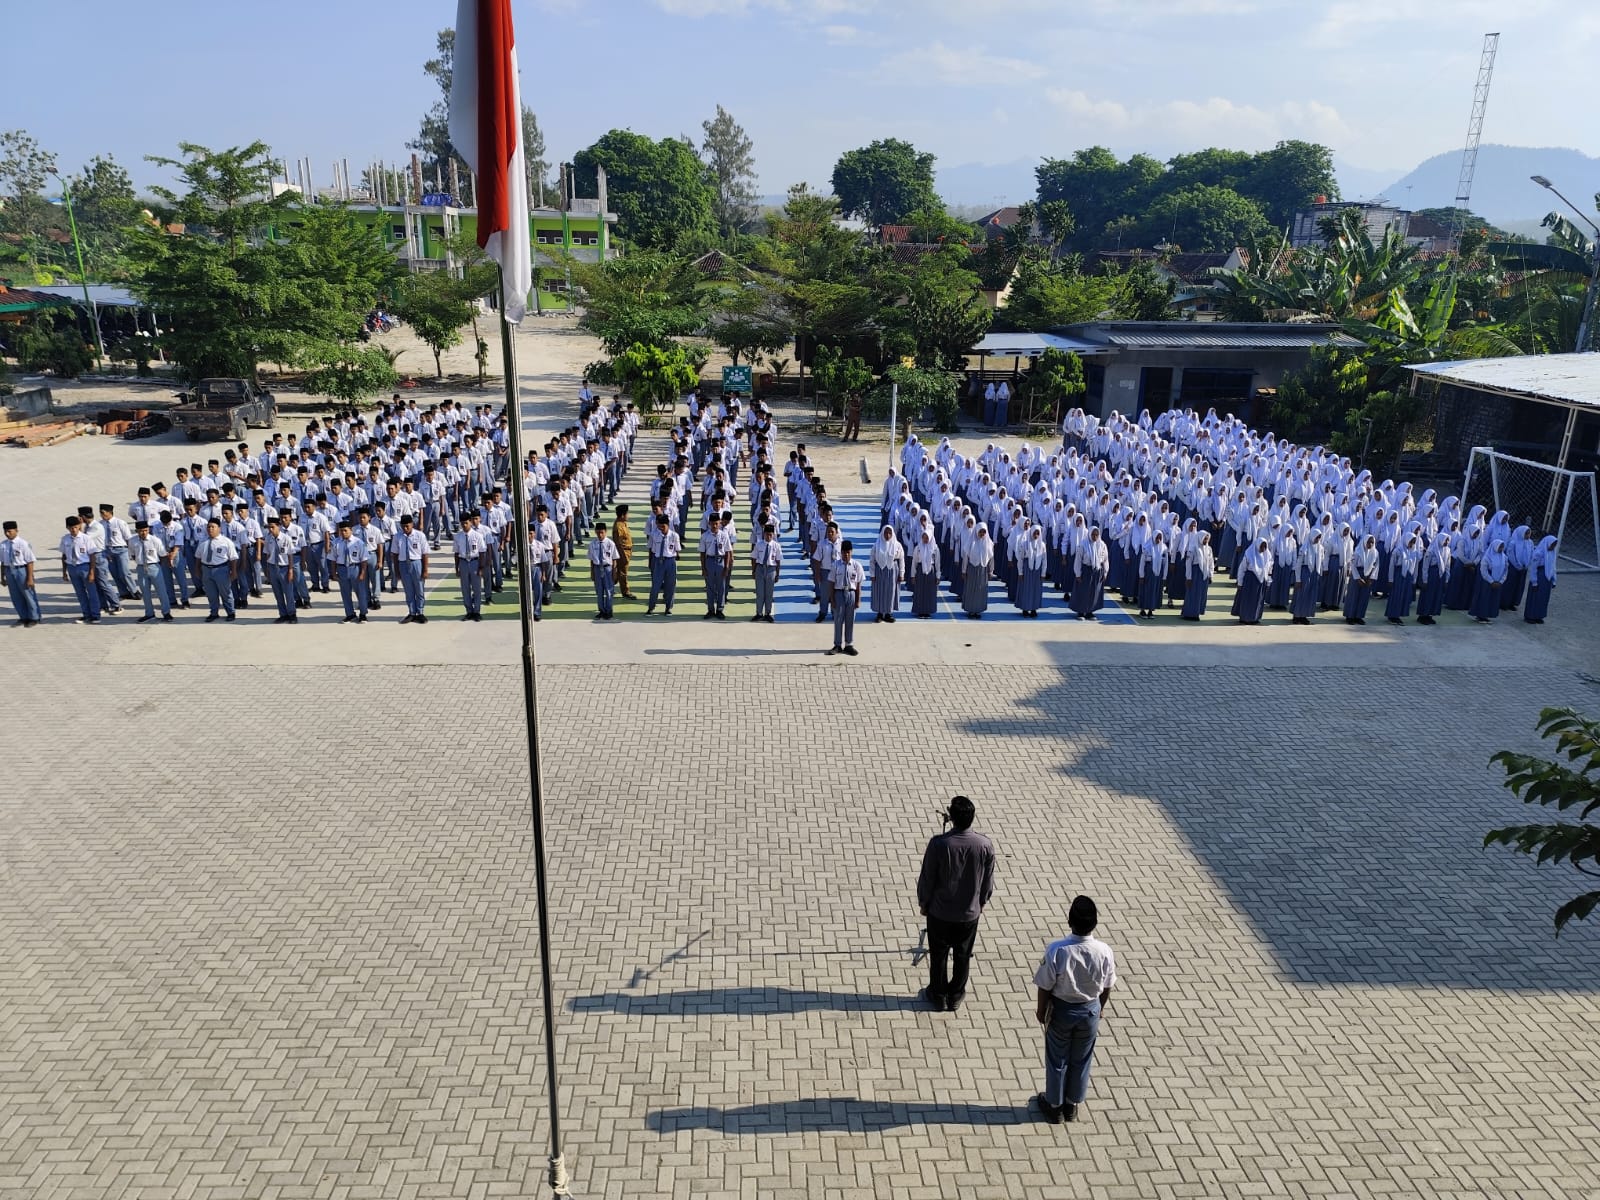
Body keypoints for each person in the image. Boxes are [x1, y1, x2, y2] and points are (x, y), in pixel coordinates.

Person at [1033, 895, 1117, 1124]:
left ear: (1069, 921)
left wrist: (1041, 1011)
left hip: (1061, 1012)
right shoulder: (1104, 951)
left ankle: (1054, 1106)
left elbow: (1044, 985)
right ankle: (1072, 1105)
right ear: (1095, 923)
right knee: (1081, 1059)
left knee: (1057, 1059)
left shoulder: (1058, 950)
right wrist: (1100, 1008)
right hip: (1090, 1012)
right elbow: (1107, 985)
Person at [916, 795, 996, 1012]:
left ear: (951, 817)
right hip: (969, 914)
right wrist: (981, 901)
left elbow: (928, 877)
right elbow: (988, 880)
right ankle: (956, 994)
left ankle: (938, 994)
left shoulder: (939, 844)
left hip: (939, 913)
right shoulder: (985, 845)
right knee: (963, 955)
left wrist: (924, 902)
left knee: (939, 954)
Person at [196, 517, 239, 622]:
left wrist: (233, 571)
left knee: (225, 593)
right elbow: (198, 557)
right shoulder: (203, 542)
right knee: (211, 594)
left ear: (219, 528)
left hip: (221, 570)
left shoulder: (226, 542)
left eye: (213, 527)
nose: (210, 529)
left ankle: (231, 612)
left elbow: (233, 558)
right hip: (206, 569)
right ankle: (214, 613)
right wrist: (197, 570)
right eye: (208, 527)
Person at [827, 538, 864, 656]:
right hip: (839, 593)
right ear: (841, 552)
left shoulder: (856, 565)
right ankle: (837, 645)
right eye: (844, 552)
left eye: (848, 552)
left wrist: (858, 600)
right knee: (838, 620)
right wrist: (832, 599)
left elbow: (858, 585)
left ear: (851, 552)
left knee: (850, 619)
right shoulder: (835, 565)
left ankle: (849, 644)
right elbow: (831, 583)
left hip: (851, 593)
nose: (846, 555)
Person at [130, 521, 173, 622]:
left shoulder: (155, 540)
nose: (144, 533)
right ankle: (149, 613)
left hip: (154, 566)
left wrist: (157, 566)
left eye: (145, 530)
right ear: (137, 531)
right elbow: (133, 554)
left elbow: (163, 555)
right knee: (145, 592)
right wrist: (140, 563)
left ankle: (166, 612)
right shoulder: (132, 541)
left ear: (148, 530)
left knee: (161, 591)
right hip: (141, 568)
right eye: (141, 531)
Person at [391, 513, 429, 624]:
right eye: (403, 526)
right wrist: (397, 571)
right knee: (408, 590)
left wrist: (425, 570)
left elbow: (425, 554)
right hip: (403, 564)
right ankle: (412, 612)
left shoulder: (420, 535)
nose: (405, 528)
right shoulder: (397, 537)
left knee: (419, 589)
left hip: (416, 563)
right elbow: (395, 555)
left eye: (407, 526)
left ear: (412, 524)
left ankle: (420, 612)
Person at [1, 521, 40, 627]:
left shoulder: (23, 544)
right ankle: (23, 617)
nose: (7, 534)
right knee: (15, 596)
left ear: (16, 530)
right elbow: (3, 562)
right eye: (5, 531)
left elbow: (30, 561)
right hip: (9, 570)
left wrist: (30, 578)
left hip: (21, 570)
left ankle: (34, 617)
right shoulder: (3, 544)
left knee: (28, 594)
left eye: (9, 531)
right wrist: (2, 577)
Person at [454, 513, 487, 622]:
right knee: (465, 589)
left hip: (474, 562)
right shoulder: (458, 536)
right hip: (463, 562)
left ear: (470, 522)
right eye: (462, 523)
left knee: (476, 588)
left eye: (466, 523)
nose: (464, 525)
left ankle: (477, 611)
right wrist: (457, 568)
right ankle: (469, 611)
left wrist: (481, 567)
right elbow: (456, 553)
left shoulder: (477, 536)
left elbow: (482, 552)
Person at [870, 526, 904, 623]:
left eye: (890, 533)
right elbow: (872, 560)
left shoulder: (897, 545)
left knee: (890, 591)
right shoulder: (877, 545)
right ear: (882, 533)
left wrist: (901, 573)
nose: (888, 535)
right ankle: (880, 613)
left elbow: (901, 560)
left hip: (892, 571)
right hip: (880, 571)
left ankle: (889, 613)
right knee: (880, 591)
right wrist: (872, 574)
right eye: (886, 533)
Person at [647, 514, 679, 615]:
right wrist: (651, 562)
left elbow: (677, 550)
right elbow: (652, 550)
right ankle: (651, 607)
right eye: (659, 526)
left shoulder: (674, 536)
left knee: (670, 585)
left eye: (663, 526)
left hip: (670, 561)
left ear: (668, 525)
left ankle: (668, 608)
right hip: (658, 561)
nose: (661, 528)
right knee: (655, 586)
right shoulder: (653, 535)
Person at [750, 522, 782, 623]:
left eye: (770, 535)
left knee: (769, 593)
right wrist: (753, 571)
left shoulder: (776, 546)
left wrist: (777, 574)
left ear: (773, 535)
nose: (768, 537)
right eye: (767, 534)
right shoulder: (758, 544)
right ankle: (759, 613)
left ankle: (768, 613)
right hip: (760, 568)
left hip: (771, 569)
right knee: (760, 593)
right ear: (764, 534)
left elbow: (778, 561)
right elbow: (754, 558)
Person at [962, 523, 994, 619]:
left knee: (981, 590)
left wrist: (991, 571)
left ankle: (978, 610)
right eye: (980, 531)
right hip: (972, 569)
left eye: (984, 532)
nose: (982, 534)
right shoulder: (971, 542)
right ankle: (971, 610)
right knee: (971, 589)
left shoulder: (989, 543)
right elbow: (965, 558)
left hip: (983, 570)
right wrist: (964, 571)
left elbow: (991, 558)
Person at [1179, 530, 1213, 621]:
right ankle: (1189, 613)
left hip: (1204, 574)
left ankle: (1197, 612)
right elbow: (1188, 564)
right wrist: (1188, 577)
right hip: (1195, 573)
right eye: (1204, 539)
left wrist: (1210, 574)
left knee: (1201, 594)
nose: (1206, 541)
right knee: (1193, 593)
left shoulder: (1209, 549)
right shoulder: (1192, 548)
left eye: (1207, 539)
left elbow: (1211, 562)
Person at [589, 520, 618, 620]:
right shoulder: (593, 544)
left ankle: (609, 611)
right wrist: (592, 572)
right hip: (597, 568)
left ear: (606, 532)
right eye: (598, 533)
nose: (600, 535)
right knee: (599, 591)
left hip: (607, 569)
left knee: (609, 591)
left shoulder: (610, 543)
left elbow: (614, 559)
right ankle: (601, 610)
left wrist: (614, 572)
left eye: (602, 532)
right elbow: (592, 560)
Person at [1523, 535, 1556, 624]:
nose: (1553, 547)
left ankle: (1539, 615)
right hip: (1539, 576)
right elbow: (1533, 568)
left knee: (1543, 598)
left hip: (1547, 578)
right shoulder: (1538, 553)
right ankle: (1530, 616)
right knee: (1535, 597)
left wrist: (1554, 579)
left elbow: (1553, 566)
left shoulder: (1552, 552)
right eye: (1552, 545)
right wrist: (1534, 581)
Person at [909, 528, 941, 619]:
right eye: (923, 537)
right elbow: (914, 563)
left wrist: (938, 576)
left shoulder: (935, 549)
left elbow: (937, 563)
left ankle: (928, 611)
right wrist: (913, 575)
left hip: (931, 572)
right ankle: (920, 611)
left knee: (929, 592)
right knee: (919, 592)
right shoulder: (918, 548)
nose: (925, 539)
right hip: (920, 572)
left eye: (927, 537)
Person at [612, 504, 634, 600]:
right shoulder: (618, 526)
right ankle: (625, 591)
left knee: (619, 573)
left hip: (627, 551)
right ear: (622, 515)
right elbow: (618, 543)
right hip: (623, 552)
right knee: (622, 573)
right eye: (627, 514)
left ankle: (609, 586)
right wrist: (622, 555)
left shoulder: (623, 523)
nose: (628, 515)